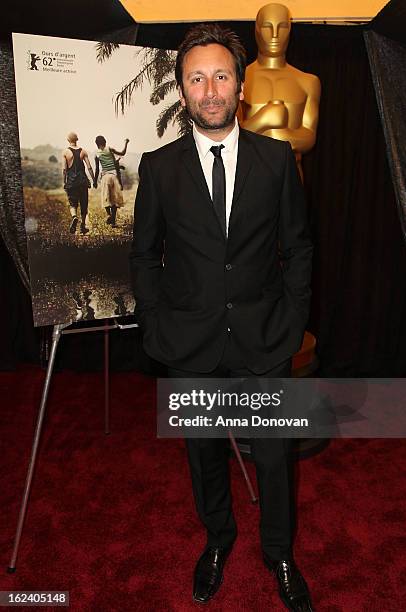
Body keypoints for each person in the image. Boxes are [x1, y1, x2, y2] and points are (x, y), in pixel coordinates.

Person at [130, 24, 314, 612]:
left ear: (240, 86)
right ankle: (217, 541)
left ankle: (280, 553)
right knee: (203, 453)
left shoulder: (277, 159)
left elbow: (299, 247)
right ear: (182, 91)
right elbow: (144, 255)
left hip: (264, 339)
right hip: (189, 343)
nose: (210, 89)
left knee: (273, 456)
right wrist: (155, 326)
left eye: (221, 76)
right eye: (196, 78)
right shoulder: (158, 169)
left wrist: (293, 318)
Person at [240, 2, 320, 178]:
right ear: (257, 30)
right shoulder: (239, 78)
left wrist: (277, 134)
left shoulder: (308, 81)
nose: (275, 35)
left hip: (291, 175)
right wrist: (262, 119)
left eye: (282, 27)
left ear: (290, 30)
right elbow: (228, 136)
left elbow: (309, 137)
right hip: (249, 176)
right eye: (268, 27)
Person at [62, 132, 95, 235]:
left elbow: (64, 169)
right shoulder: (83, 151)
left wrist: (64, 182)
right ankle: (83, 226)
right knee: (84, 203)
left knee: (73, 203)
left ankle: (74, 217)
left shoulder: (66, 152)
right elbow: (89, 167)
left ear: (68, 140)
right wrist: (93, 179)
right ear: (77, 139)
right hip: (82, 181)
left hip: (72, 182)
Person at [93, 136, 129, 228]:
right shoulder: (110, 149)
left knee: (106, 198)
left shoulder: (96, 154)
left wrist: (95, 181)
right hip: (113, 176)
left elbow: (97, 169)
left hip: (105, 177)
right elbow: (122, 153)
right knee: (114, 199)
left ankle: (108, 214)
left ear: (97, 144)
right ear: (105, 142)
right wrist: (126, 143)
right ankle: (113, 221)